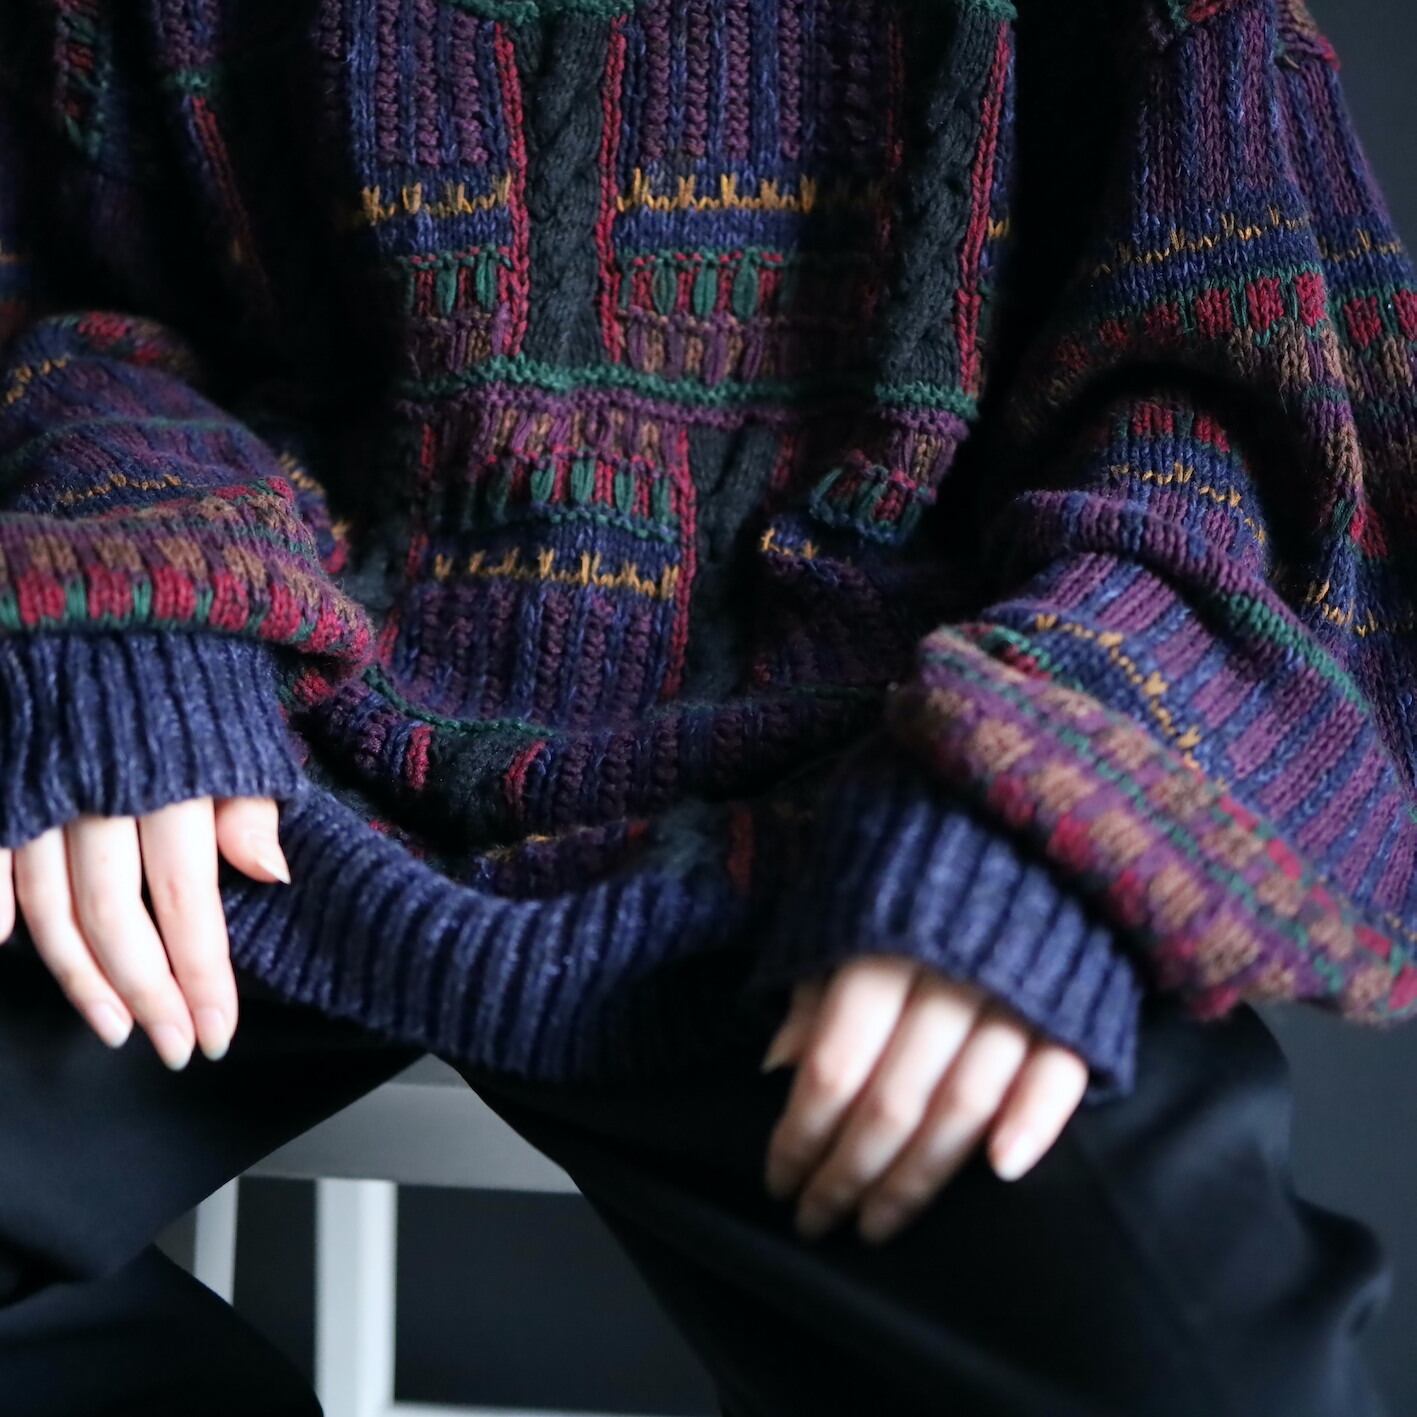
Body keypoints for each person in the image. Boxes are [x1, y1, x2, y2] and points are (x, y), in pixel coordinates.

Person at [0, 0, 1406, 1411]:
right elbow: (69, 286)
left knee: (1210, 1378)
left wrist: (1056, 788)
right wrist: (127, 582)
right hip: (254, 726)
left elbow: (1248, 420)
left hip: (881, 786)